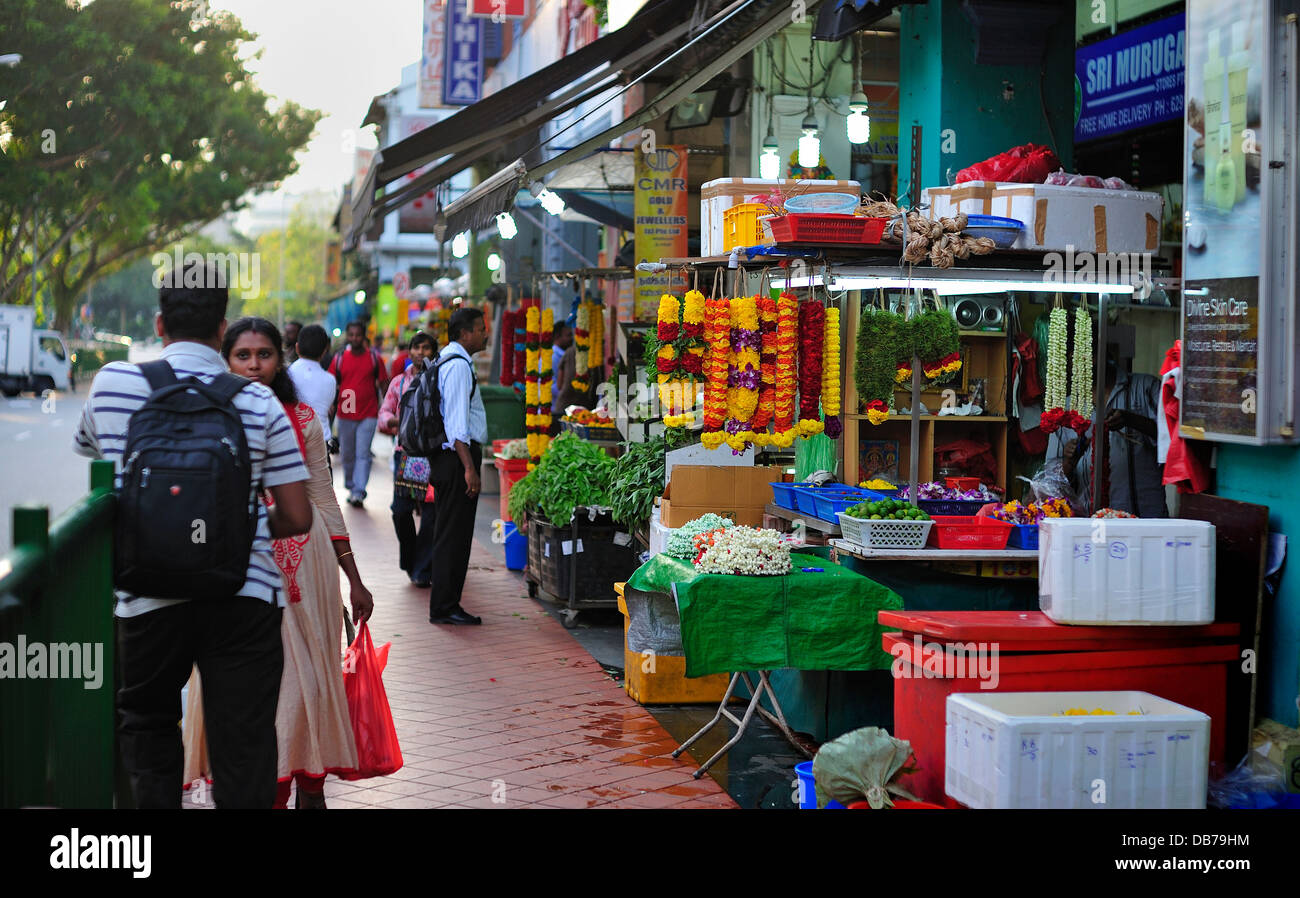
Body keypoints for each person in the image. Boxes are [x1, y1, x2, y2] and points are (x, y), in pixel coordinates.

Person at [73, 262, 313, 809]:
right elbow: (298, 516)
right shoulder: (258, 401)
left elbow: (89, 449)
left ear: (159, 325)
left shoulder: (112, 383)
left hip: (145, 595)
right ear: (222, 328)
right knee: (245, 743)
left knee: (148, 726)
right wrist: (241, 528)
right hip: (243, 595)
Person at [182, 317, 373, 810]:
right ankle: (268, 786)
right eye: (242, 355)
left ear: (279, 358)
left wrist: (353, 578)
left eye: (263, 355)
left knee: (304, 678)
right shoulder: (209, 415)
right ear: (225, 360)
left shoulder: (305, 418)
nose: (253, 365)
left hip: (305, 572)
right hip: (236, 571)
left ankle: (307, 782)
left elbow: (323, 498)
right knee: (247, 687)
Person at [428, 307, 489, 626]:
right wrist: (469, 468)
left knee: (452, 532)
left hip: (454, 459)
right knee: (453, 534)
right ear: (464, 333)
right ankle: (444, 605)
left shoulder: (454, 361)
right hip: (456, 460)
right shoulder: (457, 366)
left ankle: (447, 602)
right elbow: (456, 425)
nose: (484, 333)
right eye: (480, 329)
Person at [1058, 353, 1167, 517]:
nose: (1080, 365)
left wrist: (1133, 420)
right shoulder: (1066, 408)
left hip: (1146, 518)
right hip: (1089, 523)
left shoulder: (1146, 388)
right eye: (1072, 359)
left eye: (1088, 355)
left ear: (1101, 353)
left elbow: (1174, 440)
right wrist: (1070, 461)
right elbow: (1053, 481)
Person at [378, 331, 438, 588]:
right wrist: (394, 422)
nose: (421, 352)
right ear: (410, 351)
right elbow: (385, 413)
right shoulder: (399, 383)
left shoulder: (440, 381)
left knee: (431, 514)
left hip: (434, 455)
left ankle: (423, 569)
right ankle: (411, 557)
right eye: (417, 347)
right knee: (400, 511)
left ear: (434, 353)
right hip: (408, 455)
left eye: (426, 348)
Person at [329, 320, 389, 508]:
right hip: (345, 414)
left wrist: (388, 405)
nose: (354, 338)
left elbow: (384, 383)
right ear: (348, 336)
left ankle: (358, 491)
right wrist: (330, 403)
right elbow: (331, 383)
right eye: (351, 335)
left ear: (364, 337)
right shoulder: (339, 358)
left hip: (369, 414)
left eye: (358, 335)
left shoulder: (374, 358)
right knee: (347, 454)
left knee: (363, 453)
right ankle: (351, 484)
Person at [288, 324, 336, 447]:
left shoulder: (287, 374)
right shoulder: (330, 380)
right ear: (324, 351)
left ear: (297, 348)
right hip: (321, 440)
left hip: (294, 438)